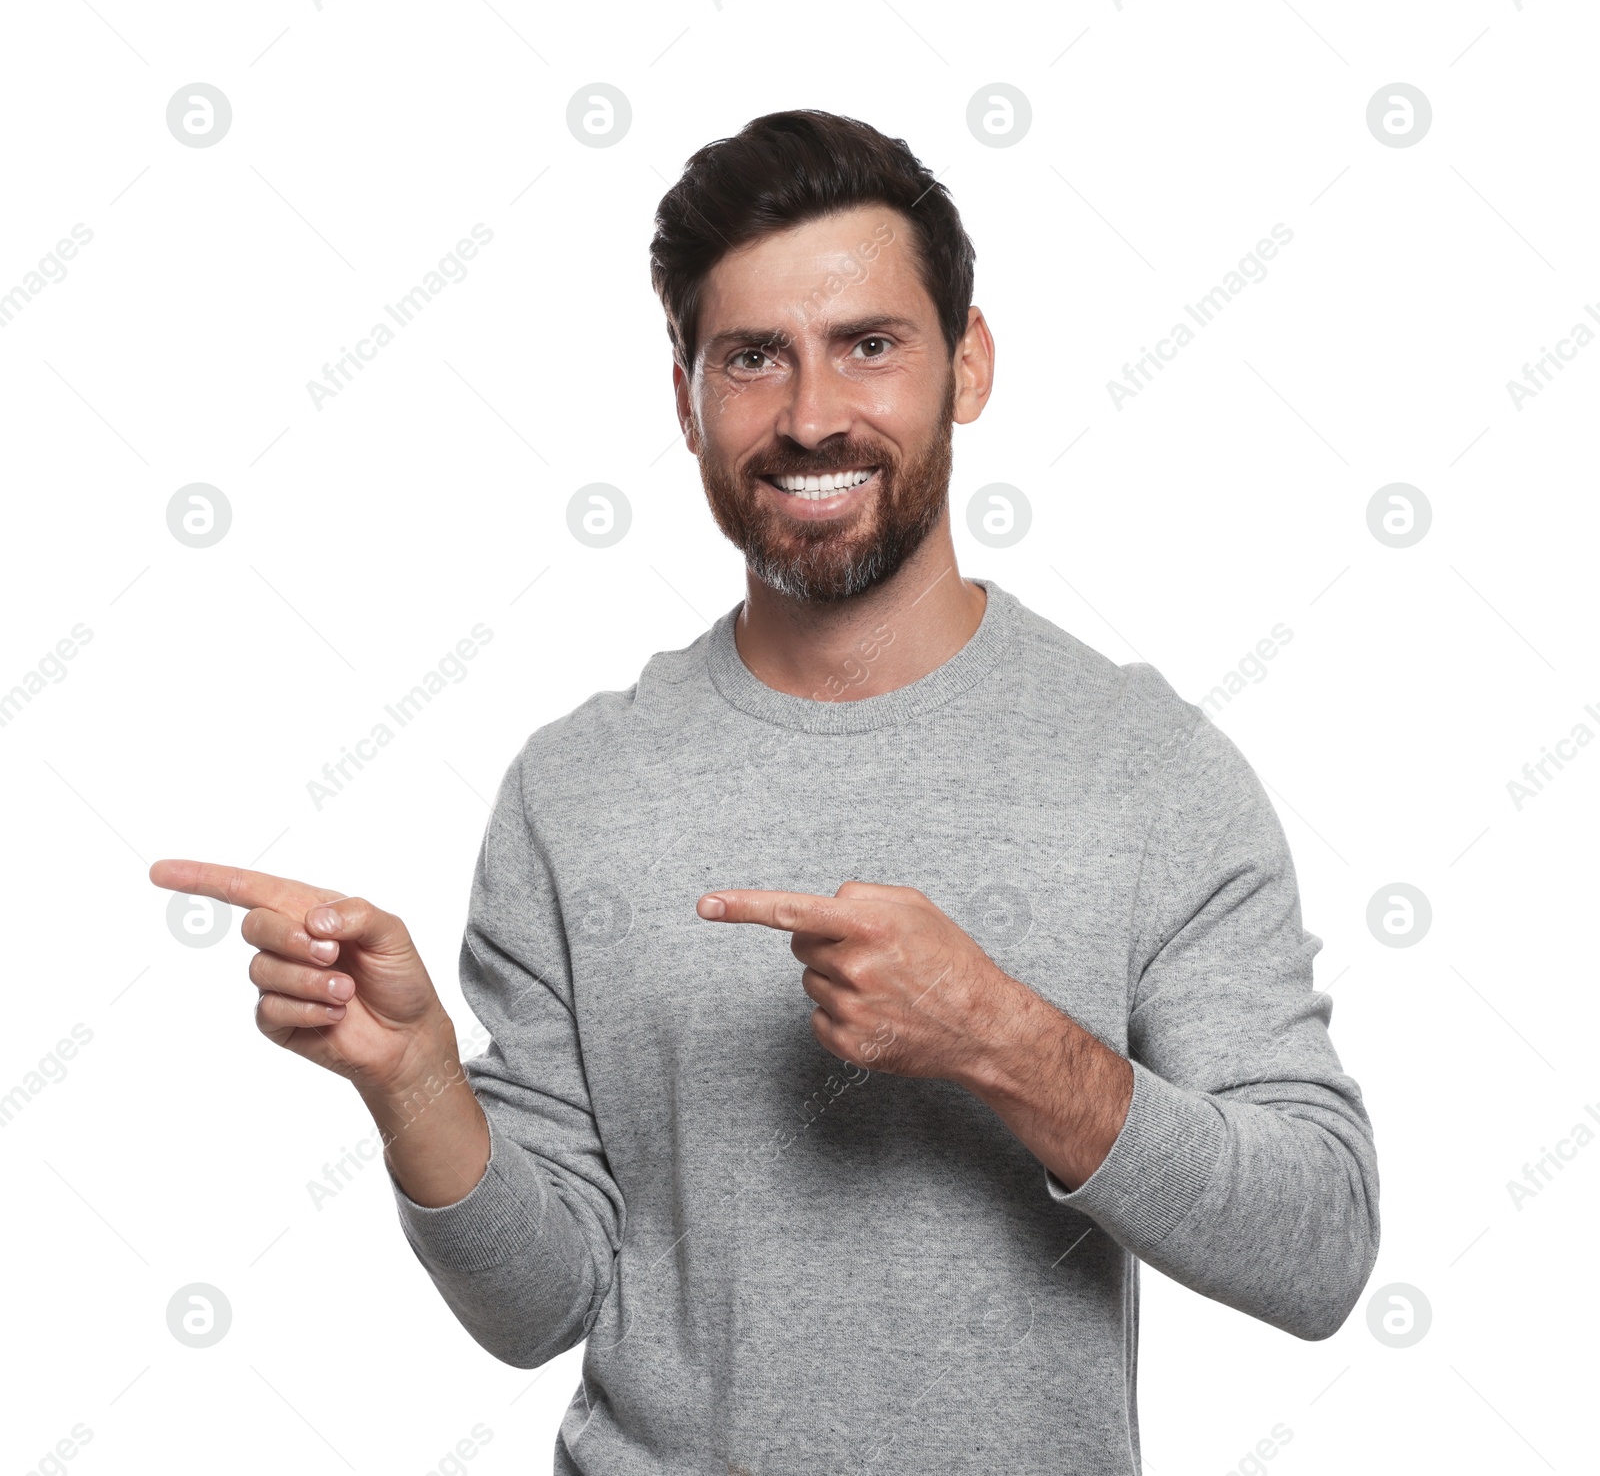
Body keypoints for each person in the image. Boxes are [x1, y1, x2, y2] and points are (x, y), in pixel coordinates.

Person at [150, 109, 1379, 1474]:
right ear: (685, 398)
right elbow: (539, 1305)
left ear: (967, 366)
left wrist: (996, 1036)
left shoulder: (1147, 769)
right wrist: (418, 1080)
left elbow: (1317, 1246)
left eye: (869, 343)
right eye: (752, 358)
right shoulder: (578, 792)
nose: (810, 417)